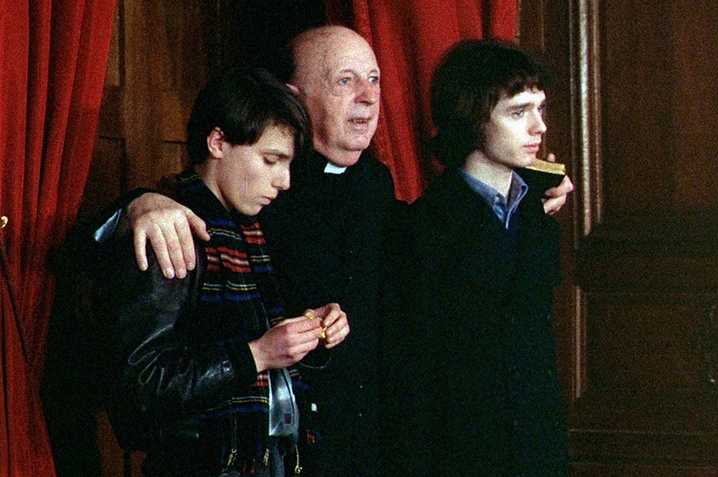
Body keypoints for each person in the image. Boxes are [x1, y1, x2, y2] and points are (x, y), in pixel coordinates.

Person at [86, 26, 574, 476]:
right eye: (345, 81)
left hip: (374, 446)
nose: (369, 97)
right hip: (266, 450)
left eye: (374, 80)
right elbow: (123, 255)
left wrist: (531, 188)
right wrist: (139, 205)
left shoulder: (376, 184)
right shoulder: (248, 189)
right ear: (294, 97)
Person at [89, 66, 350, 477]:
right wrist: (258, 354)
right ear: (217, 142)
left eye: (287, 164)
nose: (284, 181)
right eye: (270, 160)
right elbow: (141, 389)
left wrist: (312, 330)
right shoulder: (169, 231)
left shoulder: (251, 230)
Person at [386, 39, 571, 476]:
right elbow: (415, 377)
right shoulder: (423, 227)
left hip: (535, 453)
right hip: (459, 454)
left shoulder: (538, 215)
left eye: (540, 108)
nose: (540, 126)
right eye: (518, 112)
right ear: (472, 118)